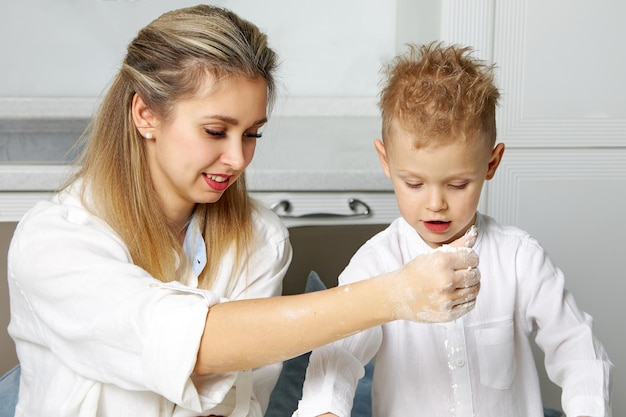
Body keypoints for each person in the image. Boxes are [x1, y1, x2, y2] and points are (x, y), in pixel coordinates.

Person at [5, 8, 482, 417]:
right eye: (216, 131)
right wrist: (395, 294)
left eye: (252, 133)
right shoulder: (54, 241)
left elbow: (238, 398)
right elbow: (194, 346)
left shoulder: (260, 239)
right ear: (145, 115)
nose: (238, 158)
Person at [294, 42, 613, 417]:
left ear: (491, 163)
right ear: (385, 160)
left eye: (458, 184)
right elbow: (338, 355)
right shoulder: (377, 263)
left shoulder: (518, 257)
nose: (435, 204)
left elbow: (578, 350)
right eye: (413, 183)